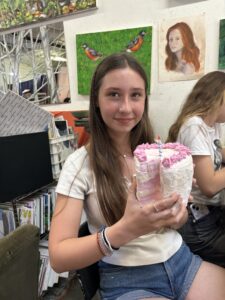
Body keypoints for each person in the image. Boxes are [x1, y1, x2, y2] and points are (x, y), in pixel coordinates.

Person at [49, 53, 225, 300]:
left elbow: (173, 223)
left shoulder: (158, 152)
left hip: (182, 261)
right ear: (96, 100)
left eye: (135, 95)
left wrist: (178, 211)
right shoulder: (78, 165)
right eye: (113, 94)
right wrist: (124, 230)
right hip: (128, 277)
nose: (126, 108)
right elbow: (58, 257)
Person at [167, 71, 225, 268]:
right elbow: (208, 185)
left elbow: (220, 153)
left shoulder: (213, 125)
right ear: (218, 97)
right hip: (196, 222)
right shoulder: (194, 126)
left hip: (213, 214)